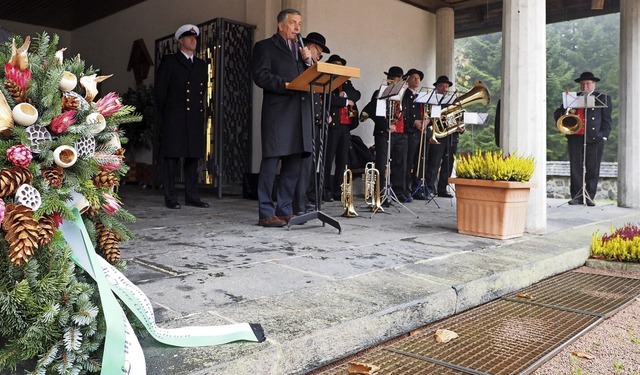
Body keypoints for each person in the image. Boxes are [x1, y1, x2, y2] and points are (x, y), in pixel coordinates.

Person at [252, 9, 315, 227]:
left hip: (300, 113)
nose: (298, 28)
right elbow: (260, 75)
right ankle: (266, 213)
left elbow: (312, 79)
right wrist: (286, 85)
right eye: (293, 23)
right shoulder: (265, 47)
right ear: (281, 26)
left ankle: (285, 208)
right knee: (271, 162)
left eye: (299, 23)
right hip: (278, 113)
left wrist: (309, 62)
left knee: (294, 163)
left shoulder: (301, 50)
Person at [155, 24, 209, 209]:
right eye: (188, 37)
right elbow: (160, 92)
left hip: (194, 117)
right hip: (175, 117)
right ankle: (170, 197)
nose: (193, 40)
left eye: (195, 38)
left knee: (193, 158)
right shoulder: (170, 61)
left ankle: (192, 196)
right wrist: (162, 118)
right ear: (180, 41)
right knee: (171, 158)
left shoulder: (201, 65)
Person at [553, 71, 612, 206]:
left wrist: (603, 136)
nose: (585, 86)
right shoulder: (572, 98)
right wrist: (565, 116)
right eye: (582, 83)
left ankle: (590, 196)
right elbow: (558, 113)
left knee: (593, 167)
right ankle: (577, 196)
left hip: (595, 138)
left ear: (594, 84)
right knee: (576, 168)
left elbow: (607, 120)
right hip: (575, 137)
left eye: (588, 83)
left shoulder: (602, 98)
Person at [293, 32, 331, 215]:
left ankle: (305, 199)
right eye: (319, 53)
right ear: (310, 47)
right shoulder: (302, 65)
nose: (319, 57)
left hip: (315, 121)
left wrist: (324, 114)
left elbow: (316, 98)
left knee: (310, 165)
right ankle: (298, 203)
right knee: (303, 165)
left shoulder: (313, 68)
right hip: (303, 121)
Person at [362, 66, 408, 204]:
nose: (397, 80)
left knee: (399, 164)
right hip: (384, 133)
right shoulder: (380, 92)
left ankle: (398, 192)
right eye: (394, 78)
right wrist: (386, 125)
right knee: (381, 164)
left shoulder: (404, 94)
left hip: (400, 132)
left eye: (399, 78)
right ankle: (380, 193)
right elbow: (373, 111)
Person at [322, 54, 361, 202]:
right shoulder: (326, 81)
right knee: (328, 158)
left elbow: (357, 94)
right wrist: (345, 102)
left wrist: (346, 94)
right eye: (336, 64)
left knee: (342, 159)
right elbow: (328, 99)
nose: (339, 67)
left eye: (341, 65)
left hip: (346, 127)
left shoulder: (346, 83)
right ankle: (325, 190)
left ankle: (338, 191)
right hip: (333, 125)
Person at [425, 75, 462, 199]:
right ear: (437, 87)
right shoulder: (433, 101)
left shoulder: (454, 102)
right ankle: (429, 188)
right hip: (438, 136)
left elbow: (460, 117)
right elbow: (430, 117)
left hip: (452, 136)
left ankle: (442, 188)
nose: (445, 89)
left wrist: (461, 127)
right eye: (442, 86)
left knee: (448, 163)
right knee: (434, 163)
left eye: (446, 86)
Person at [402, 68, 426, 200]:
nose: (417, 80)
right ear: (408, 80)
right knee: (408, 162)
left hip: (420, 132)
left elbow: (425, 112)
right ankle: (405, 188)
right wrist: (414, 122)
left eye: (418, 78)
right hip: (410, 132)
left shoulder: (421, 95)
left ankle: (417, 188)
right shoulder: (405, 95)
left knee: (419, 161)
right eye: (414, 78)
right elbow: (405, 113)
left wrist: (426, 121)